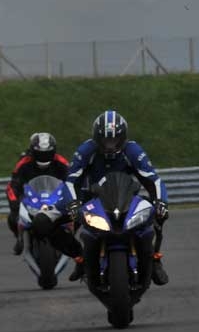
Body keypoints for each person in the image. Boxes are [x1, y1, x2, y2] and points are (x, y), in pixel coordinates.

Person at [64, 110, 169, 285]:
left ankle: (155, 259)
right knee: (67, 224)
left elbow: (153, 179)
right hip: (94, 198)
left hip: (127, 197)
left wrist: (161, 202)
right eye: (105, 140)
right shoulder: (86, 150)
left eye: (114, 140)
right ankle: (81, 260)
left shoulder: (133, 150)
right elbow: (70, 181)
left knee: (159, 215)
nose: (110, 145)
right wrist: (72, 204)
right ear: (97, 138)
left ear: (122, 137)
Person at [5, 132, 84, 266]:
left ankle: (70, 236)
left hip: (55, 198)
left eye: (47, 153)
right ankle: (19, 239)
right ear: (32, 151)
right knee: (12, 217)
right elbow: (13, 185)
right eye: (40, 153)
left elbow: (72, 182)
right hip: (33, 198)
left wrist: (73, 198)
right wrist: (14, 202)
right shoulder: (23, 164)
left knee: (77, 214)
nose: (44, 157)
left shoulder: (62, 163)